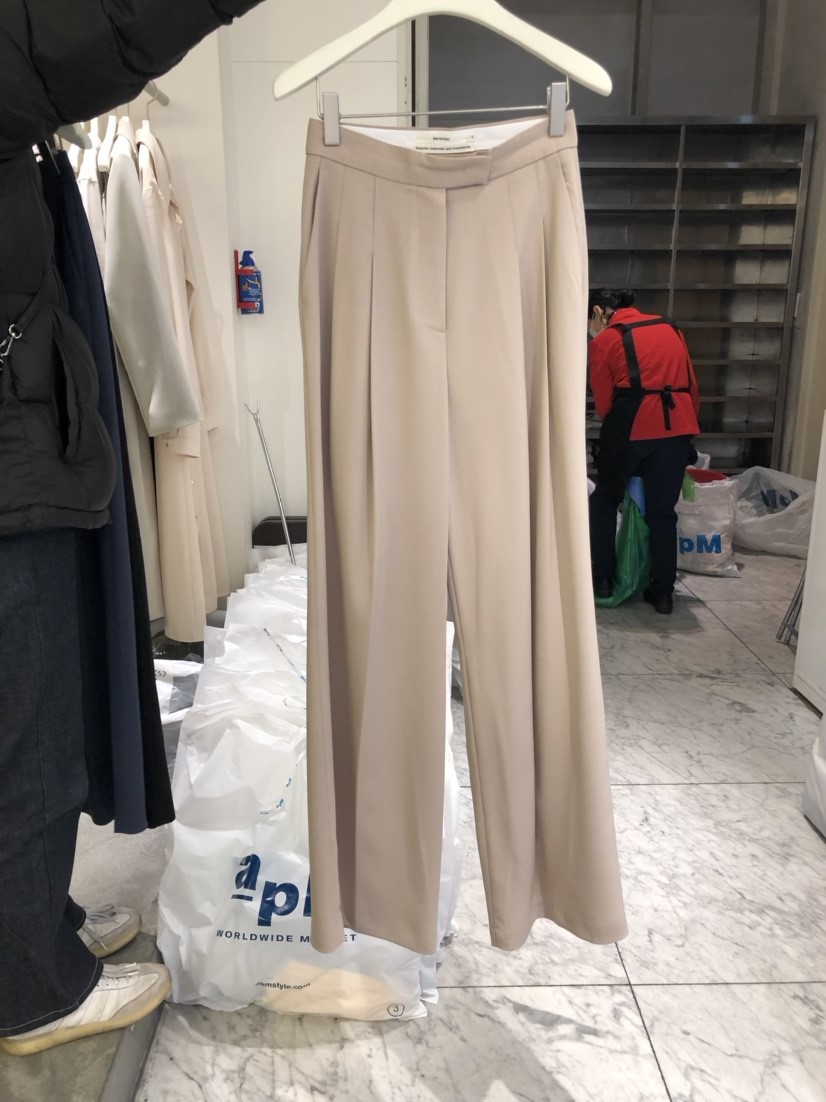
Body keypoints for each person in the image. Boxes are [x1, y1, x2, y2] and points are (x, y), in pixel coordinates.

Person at [0, 0, 264, 1057]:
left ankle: (31, 928)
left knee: (35, 708)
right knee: (29, 724)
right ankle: (32, 990)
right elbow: (87, 31)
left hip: (24, 436)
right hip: (11, 454)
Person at [587, 289, 700, 615]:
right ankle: (662, 593)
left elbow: (604, 401)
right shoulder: (670, 327)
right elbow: (692, 385)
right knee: (663, 512)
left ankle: (603, 579)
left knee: (605, 500)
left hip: (631, 427)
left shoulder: (607, 339)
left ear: (599, 311)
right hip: (678, 426)